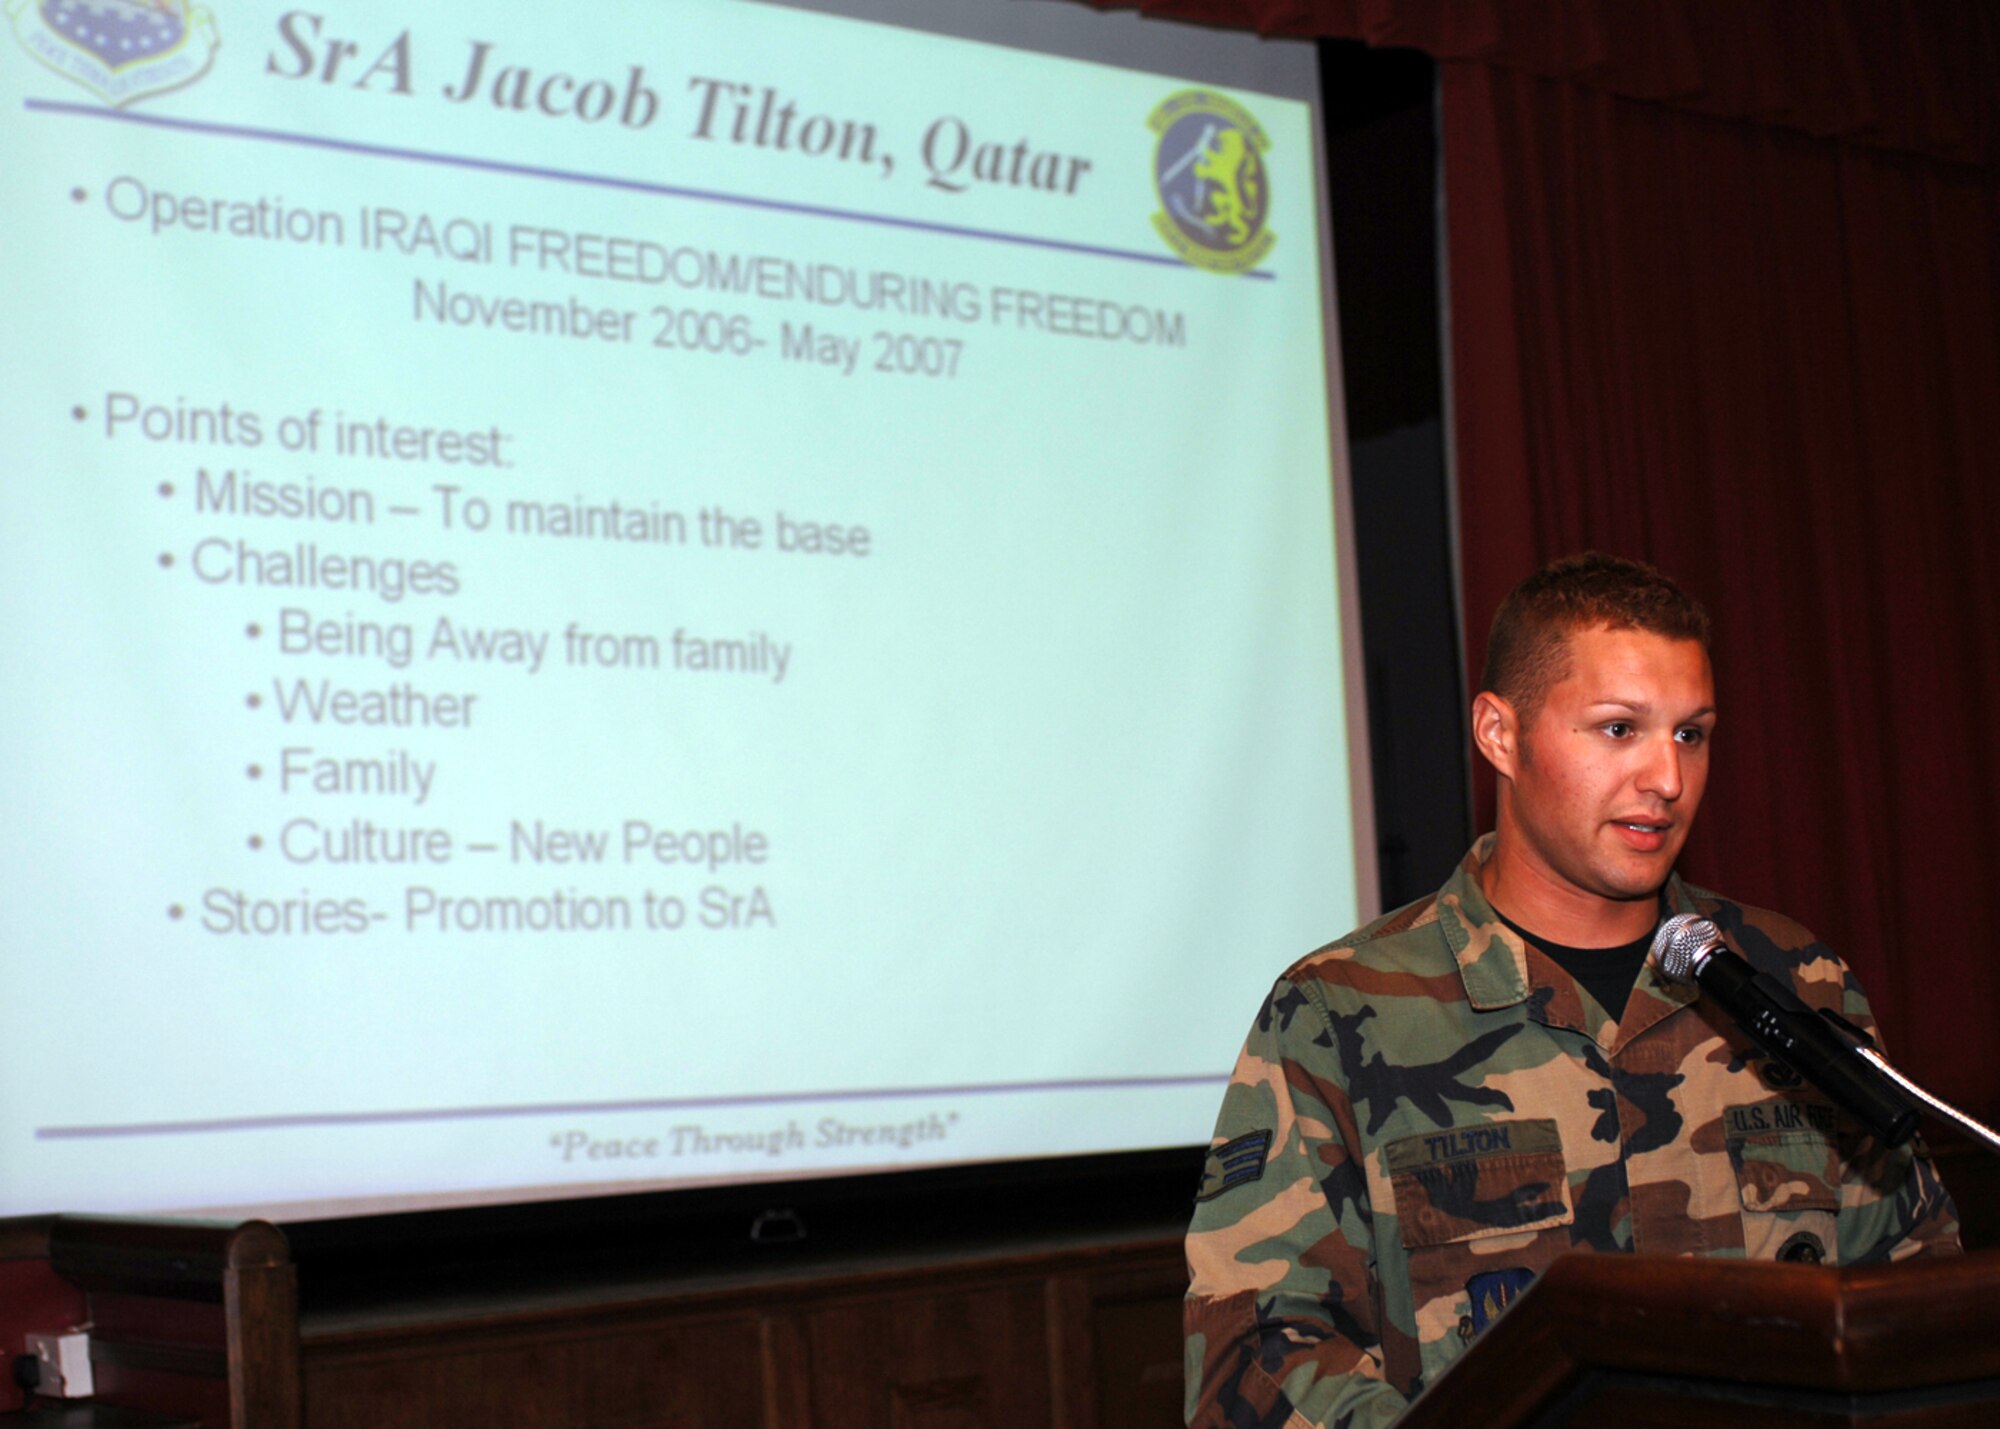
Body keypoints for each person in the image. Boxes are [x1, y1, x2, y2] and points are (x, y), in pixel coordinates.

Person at [1182, 553, 1960, 1429]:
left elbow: (1915, 1299)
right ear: (1499, 734)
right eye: (1620, 729)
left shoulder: (1795, 980)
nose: (1666, 777)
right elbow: (1253, 1359)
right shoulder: (1339, 1012)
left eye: (1691, 733)